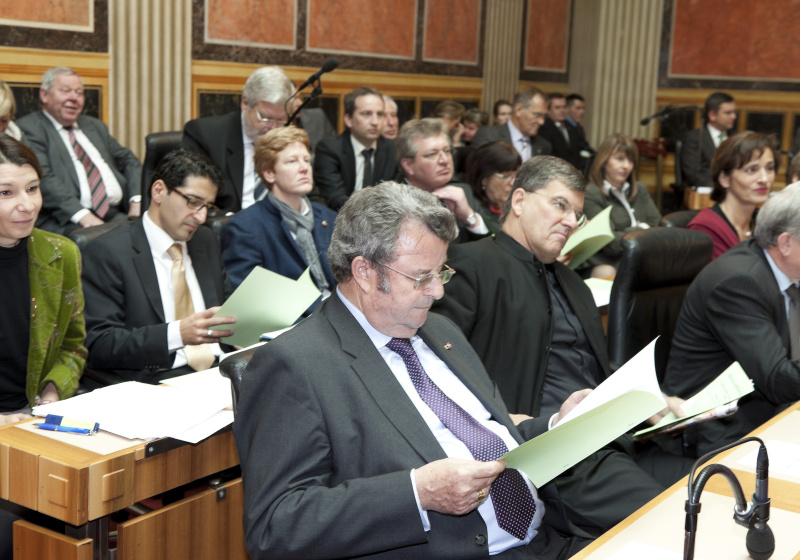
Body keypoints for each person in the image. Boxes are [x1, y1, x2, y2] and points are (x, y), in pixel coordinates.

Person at [234, 181, 593, 559]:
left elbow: (488, 437)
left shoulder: (441, 330)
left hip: (550, 537)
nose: (438, 291)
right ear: (364, 272)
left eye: (441, 272)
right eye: (422, 277)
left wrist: (556, 425)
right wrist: (416, 494)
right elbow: (276, 526)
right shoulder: (294, 364)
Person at [434, 155, 688, 535]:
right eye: (560, 205)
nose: (571, 221)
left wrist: (651, 399)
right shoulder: (470, 266)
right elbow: (440, 374)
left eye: (577, 214)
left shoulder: (573, 283)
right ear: (519, 201)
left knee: (715, 483)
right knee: (678, 523)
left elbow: (594, 370)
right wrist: (507, 421)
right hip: (555, 454)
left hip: (617, 440)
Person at [663, 182, 800, 457]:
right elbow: (778, 381)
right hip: (718, 432)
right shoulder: (739, 282)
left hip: (768, 415)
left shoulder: (786, 272)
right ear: (786, 243)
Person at [81, 149, 235, 384]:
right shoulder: (108, 252)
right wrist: (177, 334)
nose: (201, 217)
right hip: (158, 378)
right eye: (194, 202)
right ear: (159, 191)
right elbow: (99, 343)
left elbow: (224, 308)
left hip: (221, 369)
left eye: (208, 207)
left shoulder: (205, 240)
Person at [0, 134, 86, 423]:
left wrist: (51, 394)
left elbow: (73, 345)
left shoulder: (60, 254)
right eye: (6, 193)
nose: (27, 205)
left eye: (32, 189)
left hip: (34, 414)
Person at [16, 67, 142, 234]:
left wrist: (136, 200)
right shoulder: (30, 128)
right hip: (69, 219)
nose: (74, 98)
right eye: (65, 90)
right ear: (44, 95)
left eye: (79, 92)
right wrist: (83, 216)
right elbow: (42, 176)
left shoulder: (94, 126)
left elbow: (128, 160)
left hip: (116, 214)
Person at [222, 127, 337, 307]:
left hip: (339, 312)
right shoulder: (245, 228)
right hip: (293, 320)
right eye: (292, 161)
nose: (304, 168)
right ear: (269, 173)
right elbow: (250, 300)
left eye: (306, 160)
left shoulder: (328, 218)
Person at [182, 66, 294, 212]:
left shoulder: (287, 138)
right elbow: (194, 200)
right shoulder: (205, 135)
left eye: (280, 120)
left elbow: (310, 194)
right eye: (265, 118)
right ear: (245, 103)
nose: (273, 128)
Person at [397, 118, 491, 242]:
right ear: (408, 165)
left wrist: (468, 216)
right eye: (432, 154)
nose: (445, 160)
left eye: (447, 151)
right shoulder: (391, 202)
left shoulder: (462, 191)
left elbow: (492, 246)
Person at [687, 131, 777, 260]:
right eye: (751, 170)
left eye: (769, 168)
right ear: (724, 179)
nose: (764, 179)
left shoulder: (768, 224)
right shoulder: (705, 228)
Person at [582, 133, 661, 273]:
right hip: (610, 264)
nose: (626, 166)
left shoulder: (639, 189)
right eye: (620, 159)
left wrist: (625, 233)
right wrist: (643, 227)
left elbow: (658, 225)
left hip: (642, 257)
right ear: (604, 160)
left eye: (630, 161)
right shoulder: (591, 193)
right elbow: (611, 244)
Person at [312, 87, 396, 210]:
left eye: (379, 114)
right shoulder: (329, 149)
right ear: (348, 120)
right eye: (366, 114)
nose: (375, 122)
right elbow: (335, 198)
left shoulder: (393, 149)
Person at [472, 88, 552, 161]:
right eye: (537, 115)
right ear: (518, 109)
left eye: (544, 116)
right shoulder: (489, 136)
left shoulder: (544, 146)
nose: (542, 122)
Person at [679, 92, 736, 188]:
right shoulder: (695, 138)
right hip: (706, 190)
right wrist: (720, 188)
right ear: (712, 115)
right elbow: (692, 173)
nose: (734, 116)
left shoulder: (736, 138)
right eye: (728, 113)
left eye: (734, 112)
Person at [465, 141, 521, 230]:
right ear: (484, 178)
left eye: (517, 175)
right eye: (506, 176)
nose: (513, 182)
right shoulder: (472, 212)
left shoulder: (520, 206)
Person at [538, 93, 583, 170]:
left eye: (564, 107)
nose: (562, 110)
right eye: (557, 107)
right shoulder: (543, 128)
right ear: (548, 110)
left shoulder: (572, 126)